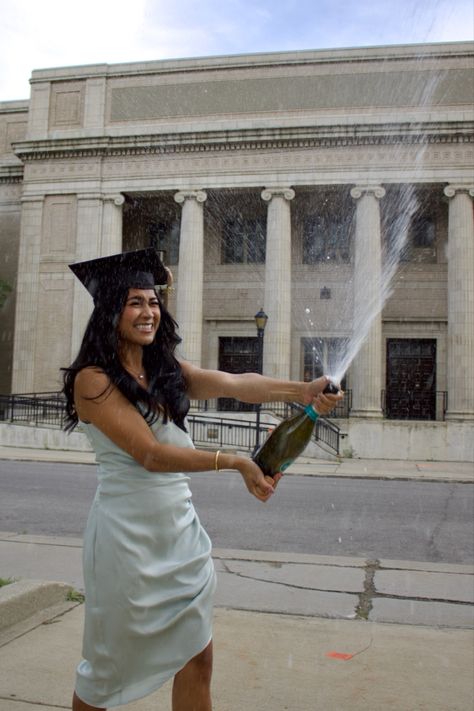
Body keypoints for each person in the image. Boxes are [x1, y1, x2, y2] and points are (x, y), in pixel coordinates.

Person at [63, 247, 343, 711]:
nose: (148, 312)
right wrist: (233, 462)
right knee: (106, 672)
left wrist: (303, 390)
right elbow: (151, 455)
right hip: (127, 542)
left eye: (153, 302)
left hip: (180, 536)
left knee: (198, 659)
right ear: (111, 309)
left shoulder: (164, 369)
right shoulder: (92, 381)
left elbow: (235, 382)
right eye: (135, 302)